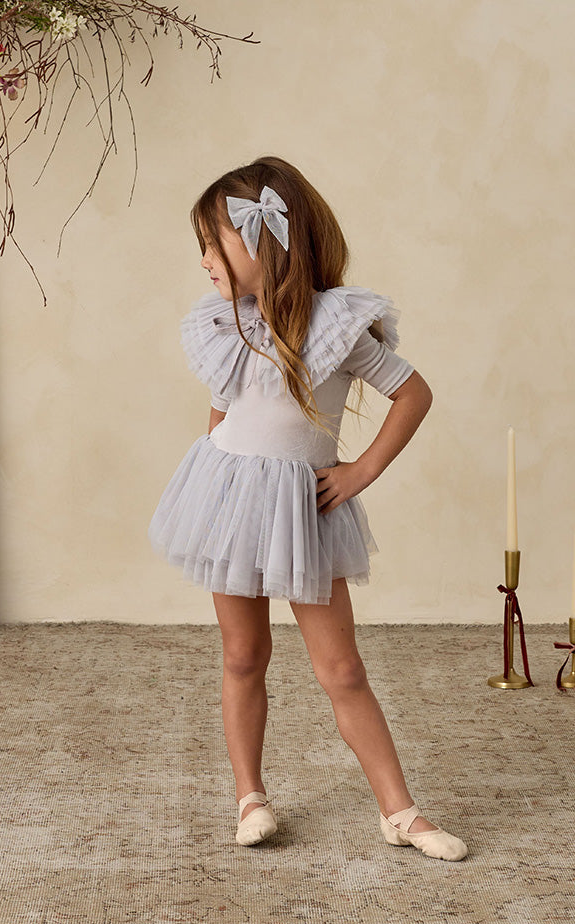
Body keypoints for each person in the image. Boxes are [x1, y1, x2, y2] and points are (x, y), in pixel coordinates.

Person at [149, 156, 467, 862]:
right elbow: (224, 403)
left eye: (211, 242)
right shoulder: (224, 323)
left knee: (342, 668)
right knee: (243, 655)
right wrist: (219, 484)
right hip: (230, 497)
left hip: (303, 508)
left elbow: (413, 394)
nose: (202, 260)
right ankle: (250, 795)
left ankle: (401, 812)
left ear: (262, 240)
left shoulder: (337, 326)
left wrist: (361, 470)